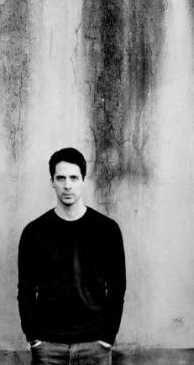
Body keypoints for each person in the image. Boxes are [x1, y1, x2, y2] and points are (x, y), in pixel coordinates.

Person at [17, 147, 126, 365]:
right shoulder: (34, 232)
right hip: (48, 346)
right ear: (52, 181)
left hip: (94, 345)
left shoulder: (107, 230)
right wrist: (34, 338)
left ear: (84, 180)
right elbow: (26, 290)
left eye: (74, 178)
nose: (67, 185)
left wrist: (107, 337)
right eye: (61, 178)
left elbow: (117, 287)